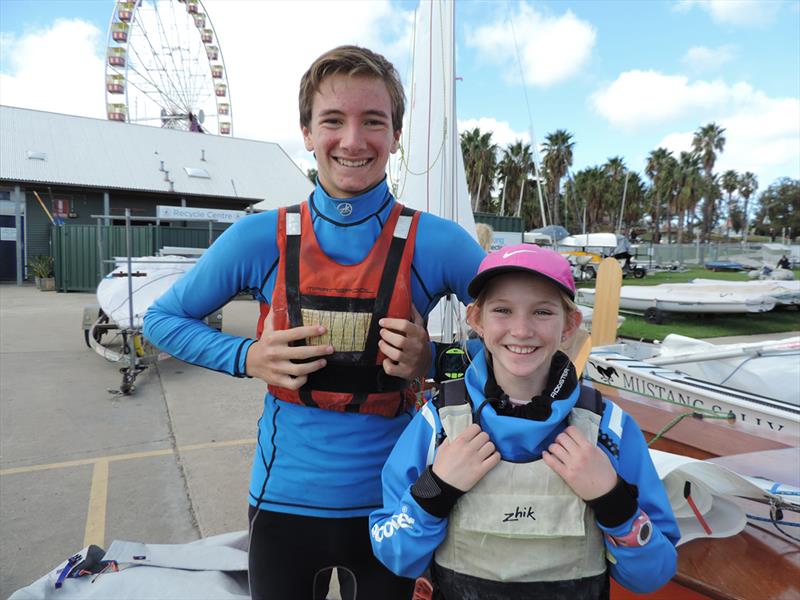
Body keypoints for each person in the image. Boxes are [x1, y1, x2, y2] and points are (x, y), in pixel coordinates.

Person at [143, 45, 485, 599]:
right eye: (333, 121)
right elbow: (162, 319)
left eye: (373, 121)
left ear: (395, 135)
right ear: (306, 132)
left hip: (398, 502)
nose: (353, 141)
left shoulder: (439, 243)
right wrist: (246, 356)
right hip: (283, 503)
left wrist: (437, 361)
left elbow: (530, 345)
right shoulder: (261, 236)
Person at [370, 243, 680, 599]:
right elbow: (393, 553)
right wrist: (436, 490)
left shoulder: (608, 429)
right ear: (476, 320)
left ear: (570, 325)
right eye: (502, 310)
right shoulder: (437, 424)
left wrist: (613, 501)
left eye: (542, 312)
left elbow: (653, 573)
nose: (521, 330)